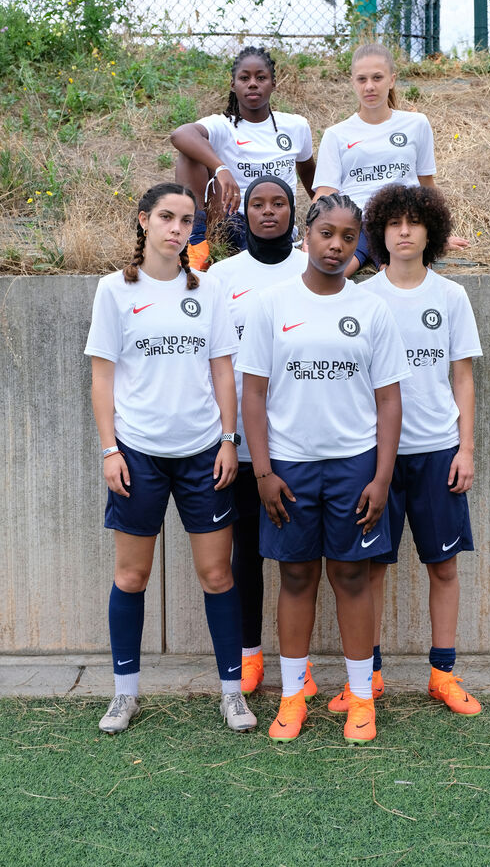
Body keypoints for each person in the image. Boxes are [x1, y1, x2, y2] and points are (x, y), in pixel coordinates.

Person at [237, 193, 410, 744]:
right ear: (305, 236)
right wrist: (263, 473)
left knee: (352, 576)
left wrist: (381, 477)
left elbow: (389, 400)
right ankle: (293, 697)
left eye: (348, 237)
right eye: (326, 233)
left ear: (358, 243)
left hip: (355, 466)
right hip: (289, 467)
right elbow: (253, 394)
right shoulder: (272, 305)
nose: (336, 245)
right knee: (295, 576)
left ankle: (361, 699)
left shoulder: (371, 309)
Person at [85, 182, 256, 735]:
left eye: (186, 220)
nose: (176, 229)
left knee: (217, 574)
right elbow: (102, 376)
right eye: (166, 217)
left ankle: (232, 693)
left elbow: (223, 369)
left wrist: (228, 439)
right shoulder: (114, 290)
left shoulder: (208, 289)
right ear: (144, 221)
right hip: (137, 454)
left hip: (203, 453)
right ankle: (124, 694)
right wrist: (110, 449)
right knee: (132, 575)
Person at [328, 182, 483, 716]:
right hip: (377, 457)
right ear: (380, 232)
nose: (404, 232)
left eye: (415, 222)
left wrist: (465, 448)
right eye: (394, 223)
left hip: (438, 451)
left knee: (444, 567)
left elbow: (462, 377)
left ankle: (443, 674)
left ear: (430, 231)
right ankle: (367, 678)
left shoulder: (451, 297)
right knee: (370, 569)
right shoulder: (362, 298)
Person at [207, 174, 317, 699]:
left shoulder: (311, 269)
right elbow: (214, 359)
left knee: (302, 561)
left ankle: (301, 664)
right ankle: (249, 657)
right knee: (245, 556)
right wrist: (225, 435)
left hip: (297, 444)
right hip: (240, 446)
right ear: (244, 213)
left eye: (279, 203)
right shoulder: (222, 276)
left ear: (294, 213)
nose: (268, 211)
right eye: (258, 204)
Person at [312, 42, 468, 277]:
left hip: (401, 223)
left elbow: (426, 184)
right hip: (356, 223)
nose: (369, 86)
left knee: (405, 277)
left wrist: (438, 235)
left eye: (377, 77)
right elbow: (326, 192)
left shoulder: (416, 124)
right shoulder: (336, 134)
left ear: (392, 80)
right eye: (362, 79)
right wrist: (312, 235)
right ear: (353, 82)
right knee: (331, 276)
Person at [171, 45, 316, 269]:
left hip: (274, 220)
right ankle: (196, 242)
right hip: (231, 218)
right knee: (190, 152)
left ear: (273, 84)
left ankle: (256, 254)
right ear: (233, 85)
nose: (253, 83)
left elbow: (308, 172)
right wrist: (221, 168)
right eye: (244, 78)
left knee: (260, 259)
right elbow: (180, 134)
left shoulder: (295, 126)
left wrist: (321, 216)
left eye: (261, 77)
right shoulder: (222, 125)